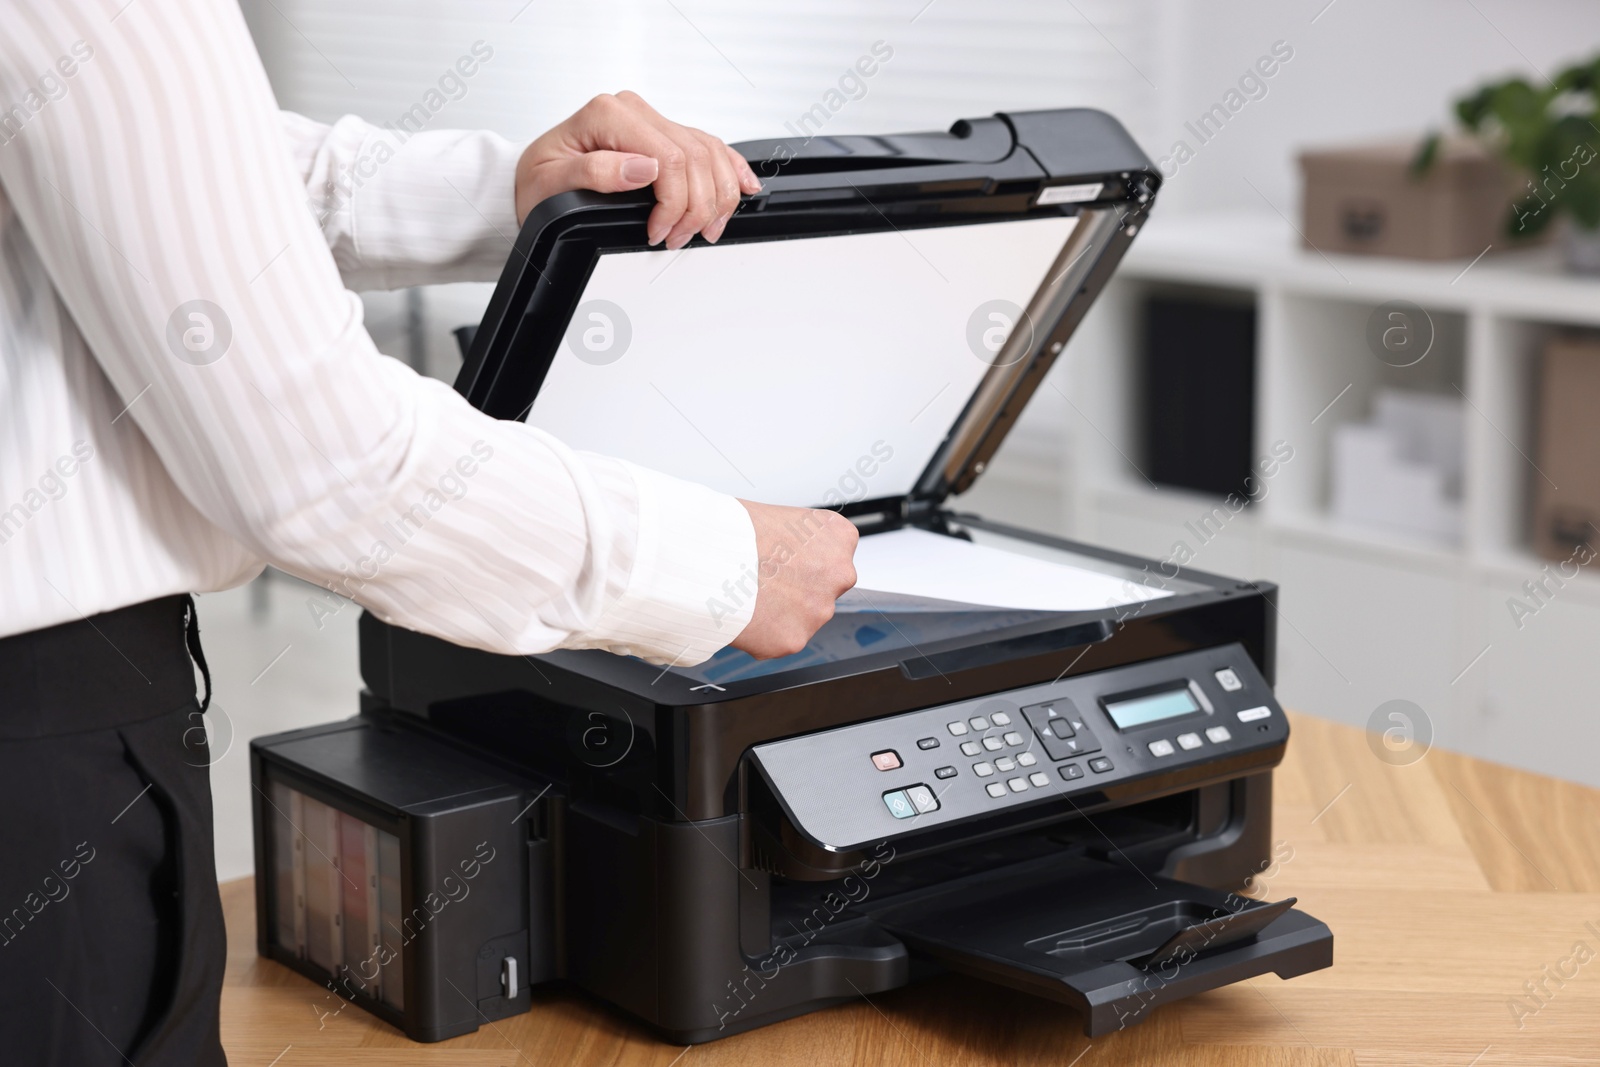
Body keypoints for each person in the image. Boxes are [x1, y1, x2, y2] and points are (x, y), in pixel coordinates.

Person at [0, 2, 859, 1064]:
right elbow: (323, 465)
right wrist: (726, 565)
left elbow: (169, 157)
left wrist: (517, 194)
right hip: (38, 749)